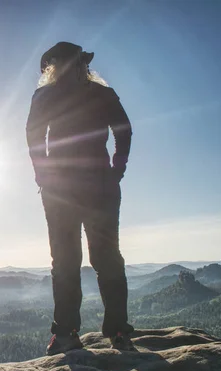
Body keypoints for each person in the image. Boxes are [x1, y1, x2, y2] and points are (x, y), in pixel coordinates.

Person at [25, 42, 136, 354]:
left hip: (74, 189)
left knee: (75, 260)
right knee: (92, 259)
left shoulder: (50, 95)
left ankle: (70, 334)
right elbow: (124, 132)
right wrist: (116, 168)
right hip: (84, 187)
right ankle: (105, 332)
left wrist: (43, 175)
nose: (77, 69)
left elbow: (33, 136)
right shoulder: (100, 94)